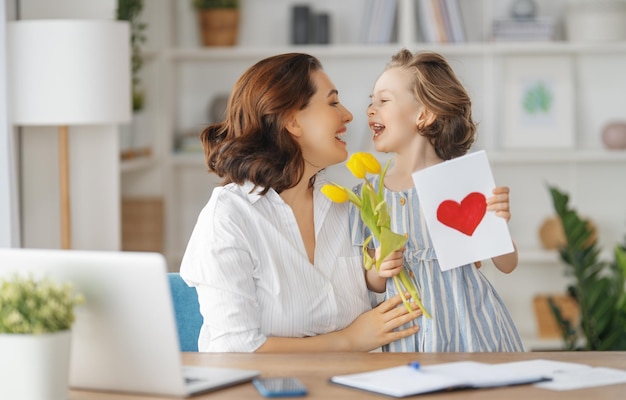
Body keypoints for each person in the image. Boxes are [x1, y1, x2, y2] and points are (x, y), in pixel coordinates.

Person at [180, 53, 421, 353]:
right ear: (293, 121)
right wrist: (348, 340)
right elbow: (234, 348)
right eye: (332, 103)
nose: (348, 115)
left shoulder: (345, 205)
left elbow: (378, 312)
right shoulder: (230, 216)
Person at [351, 49, 524, 352]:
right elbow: (371, 283)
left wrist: (500, 223)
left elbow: (507, 265)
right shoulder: (368, 195)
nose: (370, 109)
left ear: (424, 114)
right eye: (371, 100)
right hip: (408, 336)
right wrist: (381, 267)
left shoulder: (463, 182)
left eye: (384, 100)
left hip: (474, 332)